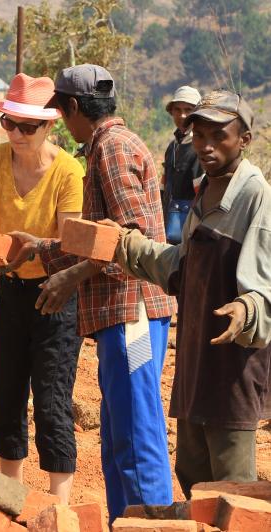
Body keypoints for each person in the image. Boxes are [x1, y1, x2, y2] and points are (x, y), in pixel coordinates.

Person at [10, 65, 176, 520]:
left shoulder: (112, 148)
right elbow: (100, 237)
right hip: (118, 314)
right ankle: (125, 522)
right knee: (119, 432)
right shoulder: (107, 145)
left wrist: (71, 277)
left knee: (137, 432)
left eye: (62, 113)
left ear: (73, 107)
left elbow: (131, 239)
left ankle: (150, 526)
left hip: (132, 311)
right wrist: (43, 248)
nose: (64, 124)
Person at [109, 91, 271, 499]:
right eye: (199, 135)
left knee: (231, 493)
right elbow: (182, 267)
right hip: (197, 363)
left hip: (232, 372)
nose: (206, 146)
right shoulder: (207, 189)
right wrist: (126, 245)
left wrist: (246, 308)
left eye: (219, 135)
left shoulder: (255, 196)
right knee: (193, 476)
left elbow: (265, 286)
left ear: (245, 139)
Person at [0, 73, 84, 503]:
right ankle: (11, 499)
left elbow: (69, 242)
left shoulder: (68, 171)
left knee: (51, 400)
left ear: (49, 126)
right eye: (9, 123)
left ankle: (58, 509)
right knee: (6, 396)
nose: (16, 133)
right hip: (10, 292)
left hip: (56, 294)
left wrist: (32, 249)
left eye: (27, 126)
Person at [162, 86, 202, 244]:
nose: (182, 115)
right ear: (171, 112)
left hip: (191, 230)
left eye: (188, 110)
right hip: (169, 225)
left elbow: (202, 195)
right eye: (177, 110)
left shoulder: (200, 147)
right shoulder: (172, 147)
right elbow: (164, 186)